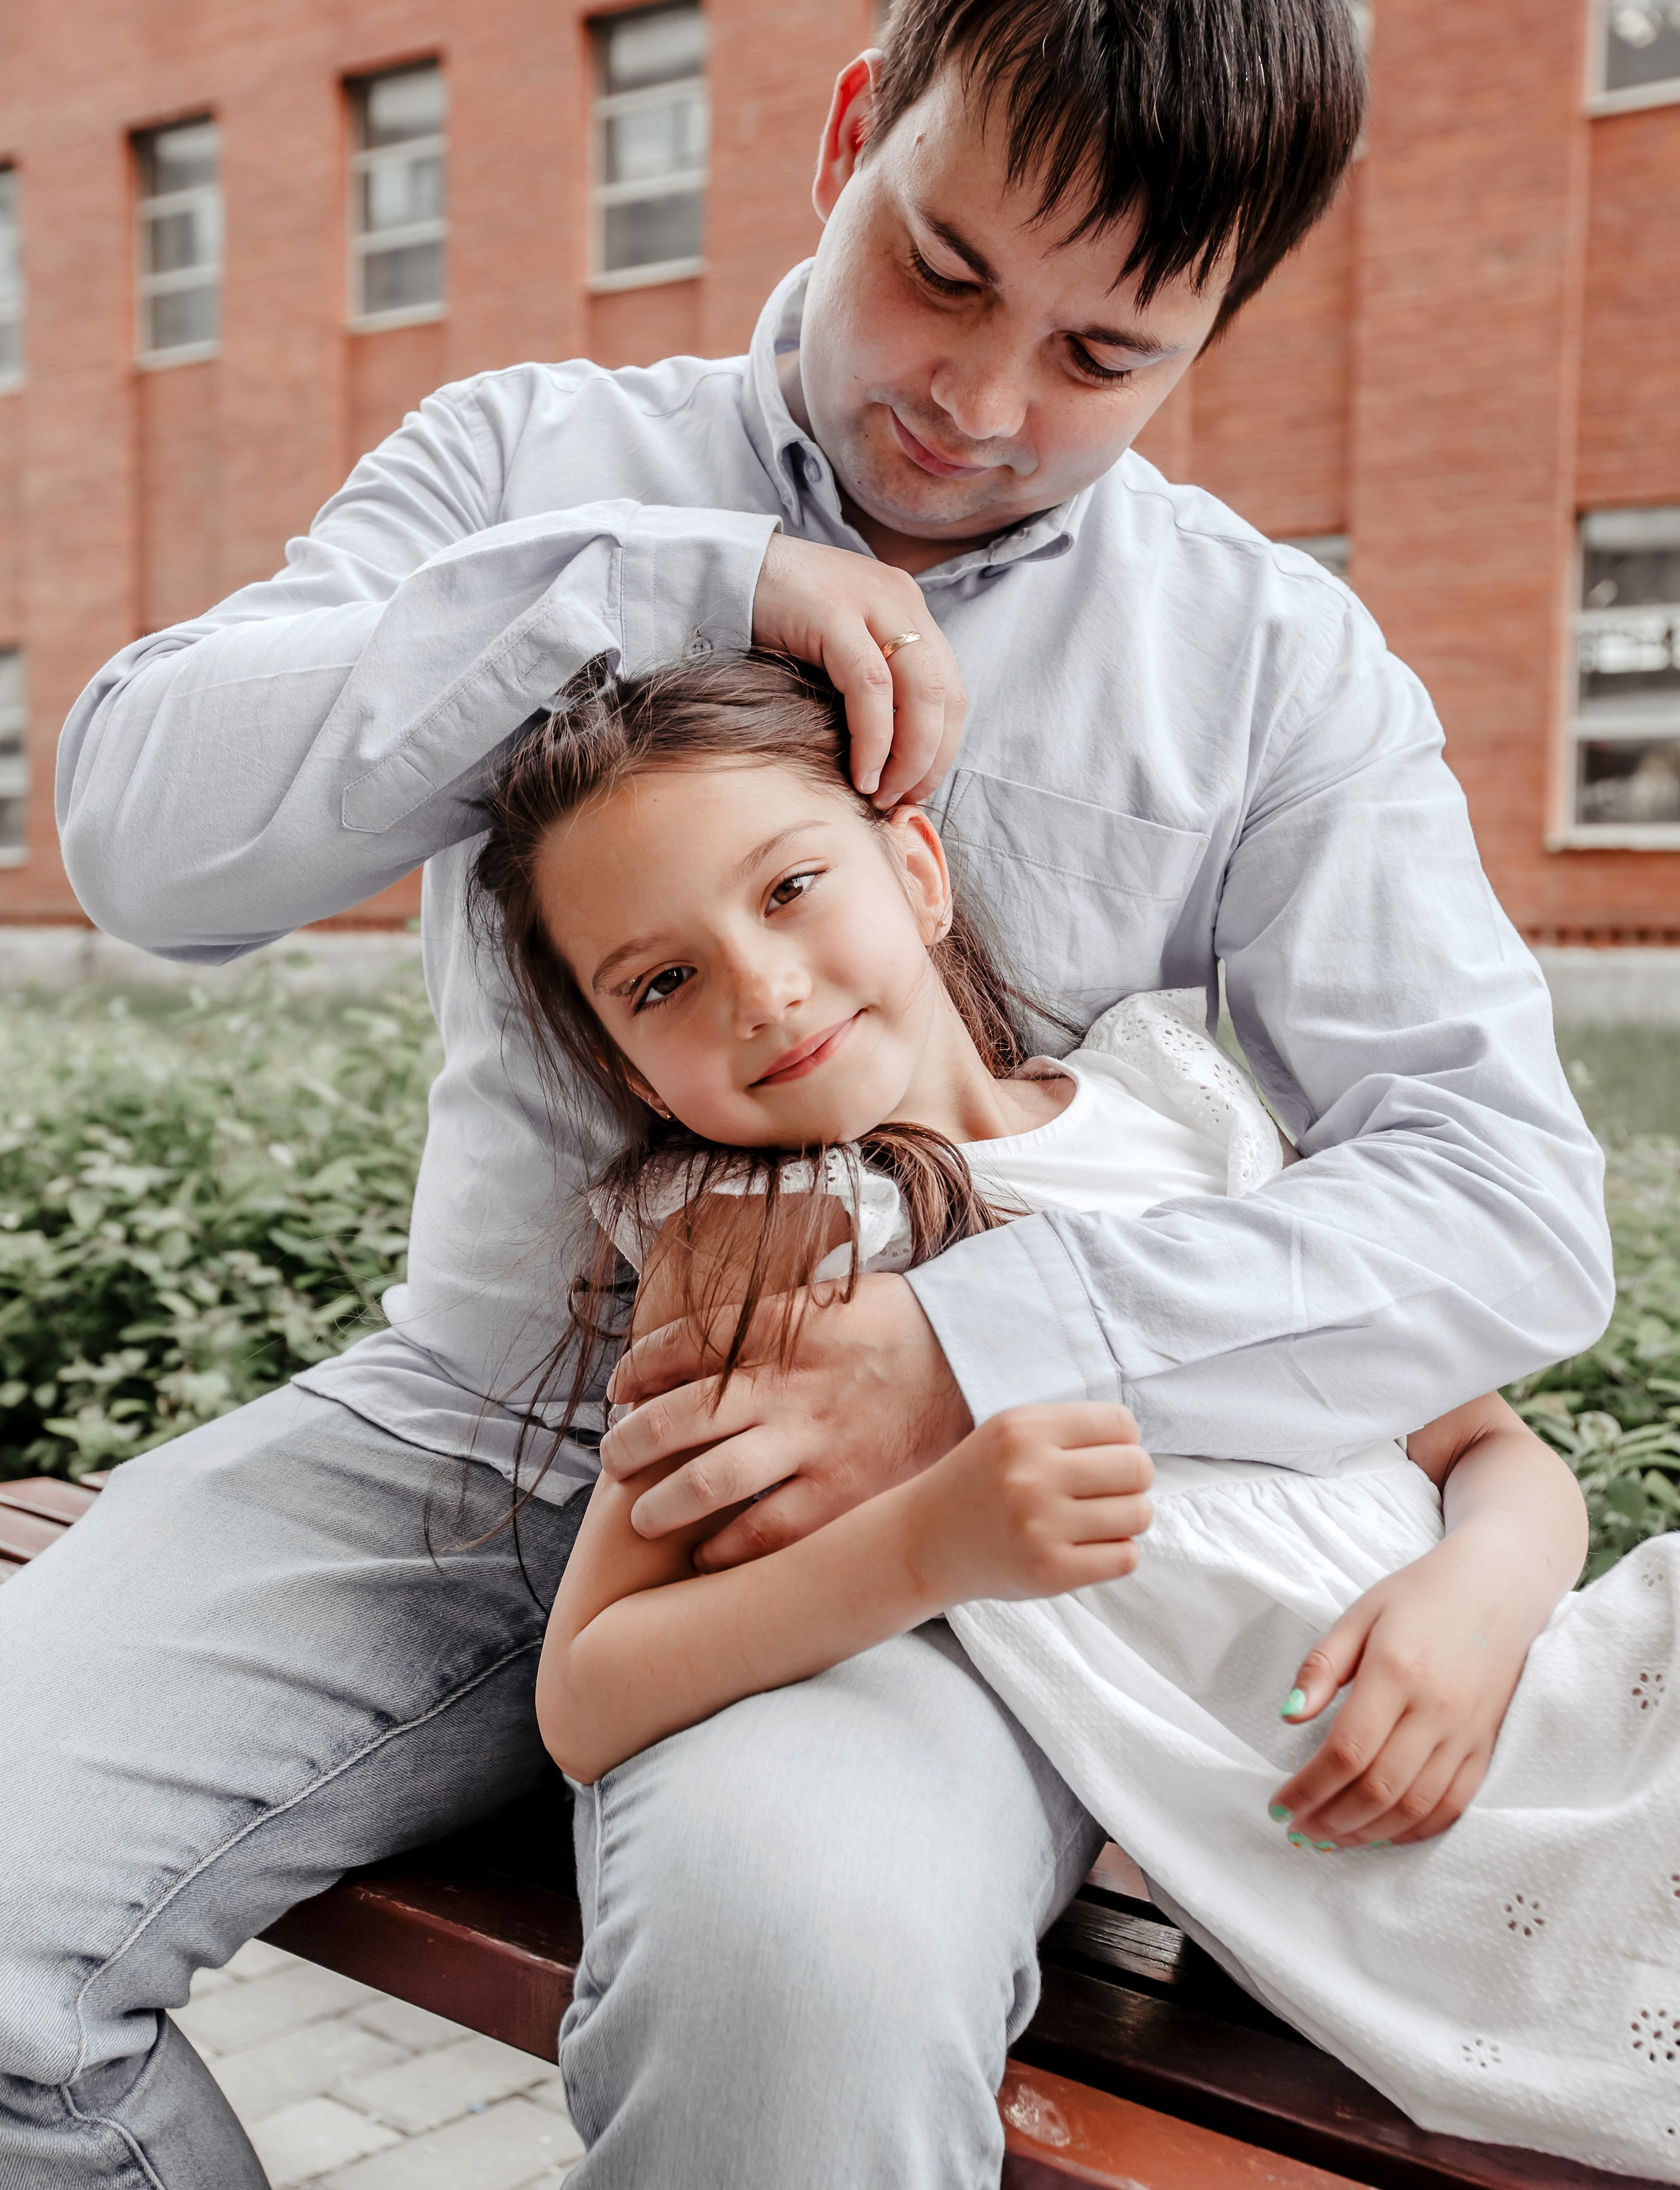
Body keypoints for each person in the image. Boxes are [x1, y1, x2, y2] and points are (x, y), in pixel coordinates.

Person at [0, 0, 1611, 2190]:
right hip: (450, 1448)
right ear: (854, 132)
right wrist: (659, 581)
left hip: (912, 1552)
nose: (974, 402)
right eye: (939, 272)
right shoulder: (528, 475)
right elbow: (148, 842)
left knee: (797, 1995)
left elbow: (1507, 1211)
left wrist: (969, 1352)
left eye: (1102, 353)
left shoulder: (1276, 670)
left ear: (1220, 327)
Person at [479, 648, 1677, 2185]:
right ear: (617, 1057)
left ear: (914, 866)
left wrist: (1476, 1599)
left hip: (1550, 1677)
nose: (758, 987)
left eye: (786, 890)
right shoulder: (773, 1248)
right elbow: (590, 1689)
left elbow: (1489, 1449)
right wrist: (929, 1545)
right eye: (661, 982)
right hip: (1400, 1837)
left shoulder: (1173, 1105)